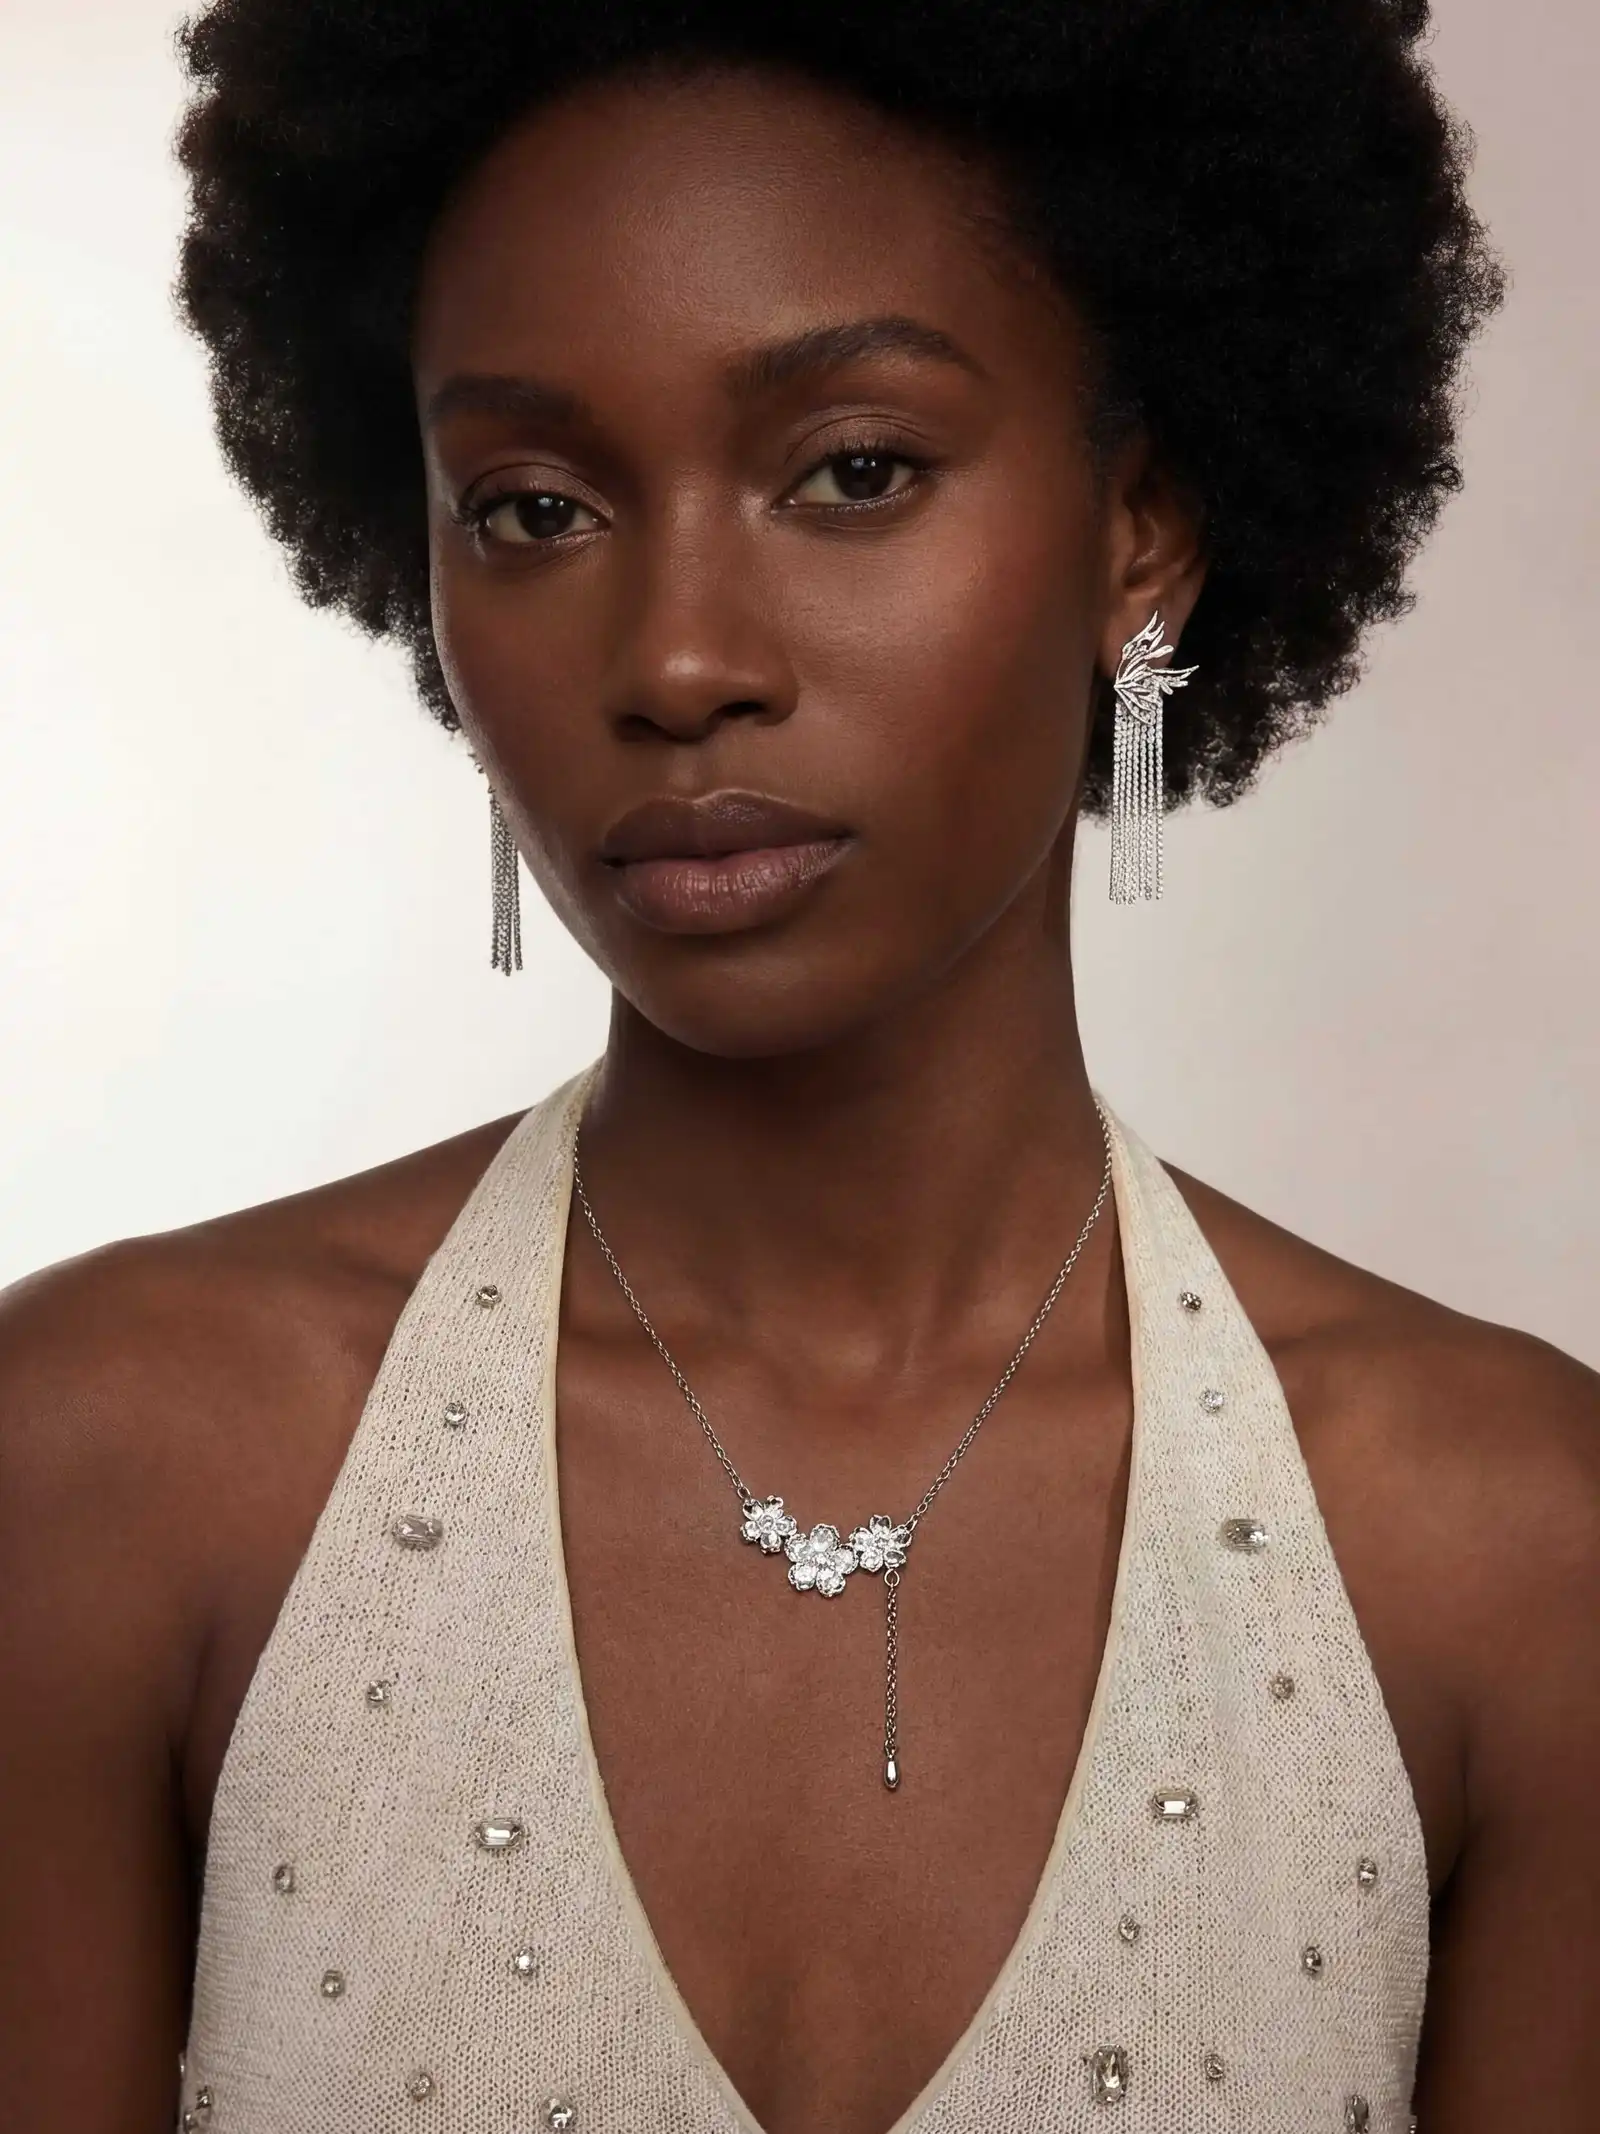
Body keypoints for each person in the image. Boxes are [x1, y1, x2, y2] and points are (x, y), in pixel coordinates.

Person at [1, 2, 1594, 2129]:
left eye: (853, 470)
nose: (677, 659)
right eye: (535, 506)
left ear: (1138, 528)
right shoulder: (112, 1470)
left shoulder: (1504, 1554)